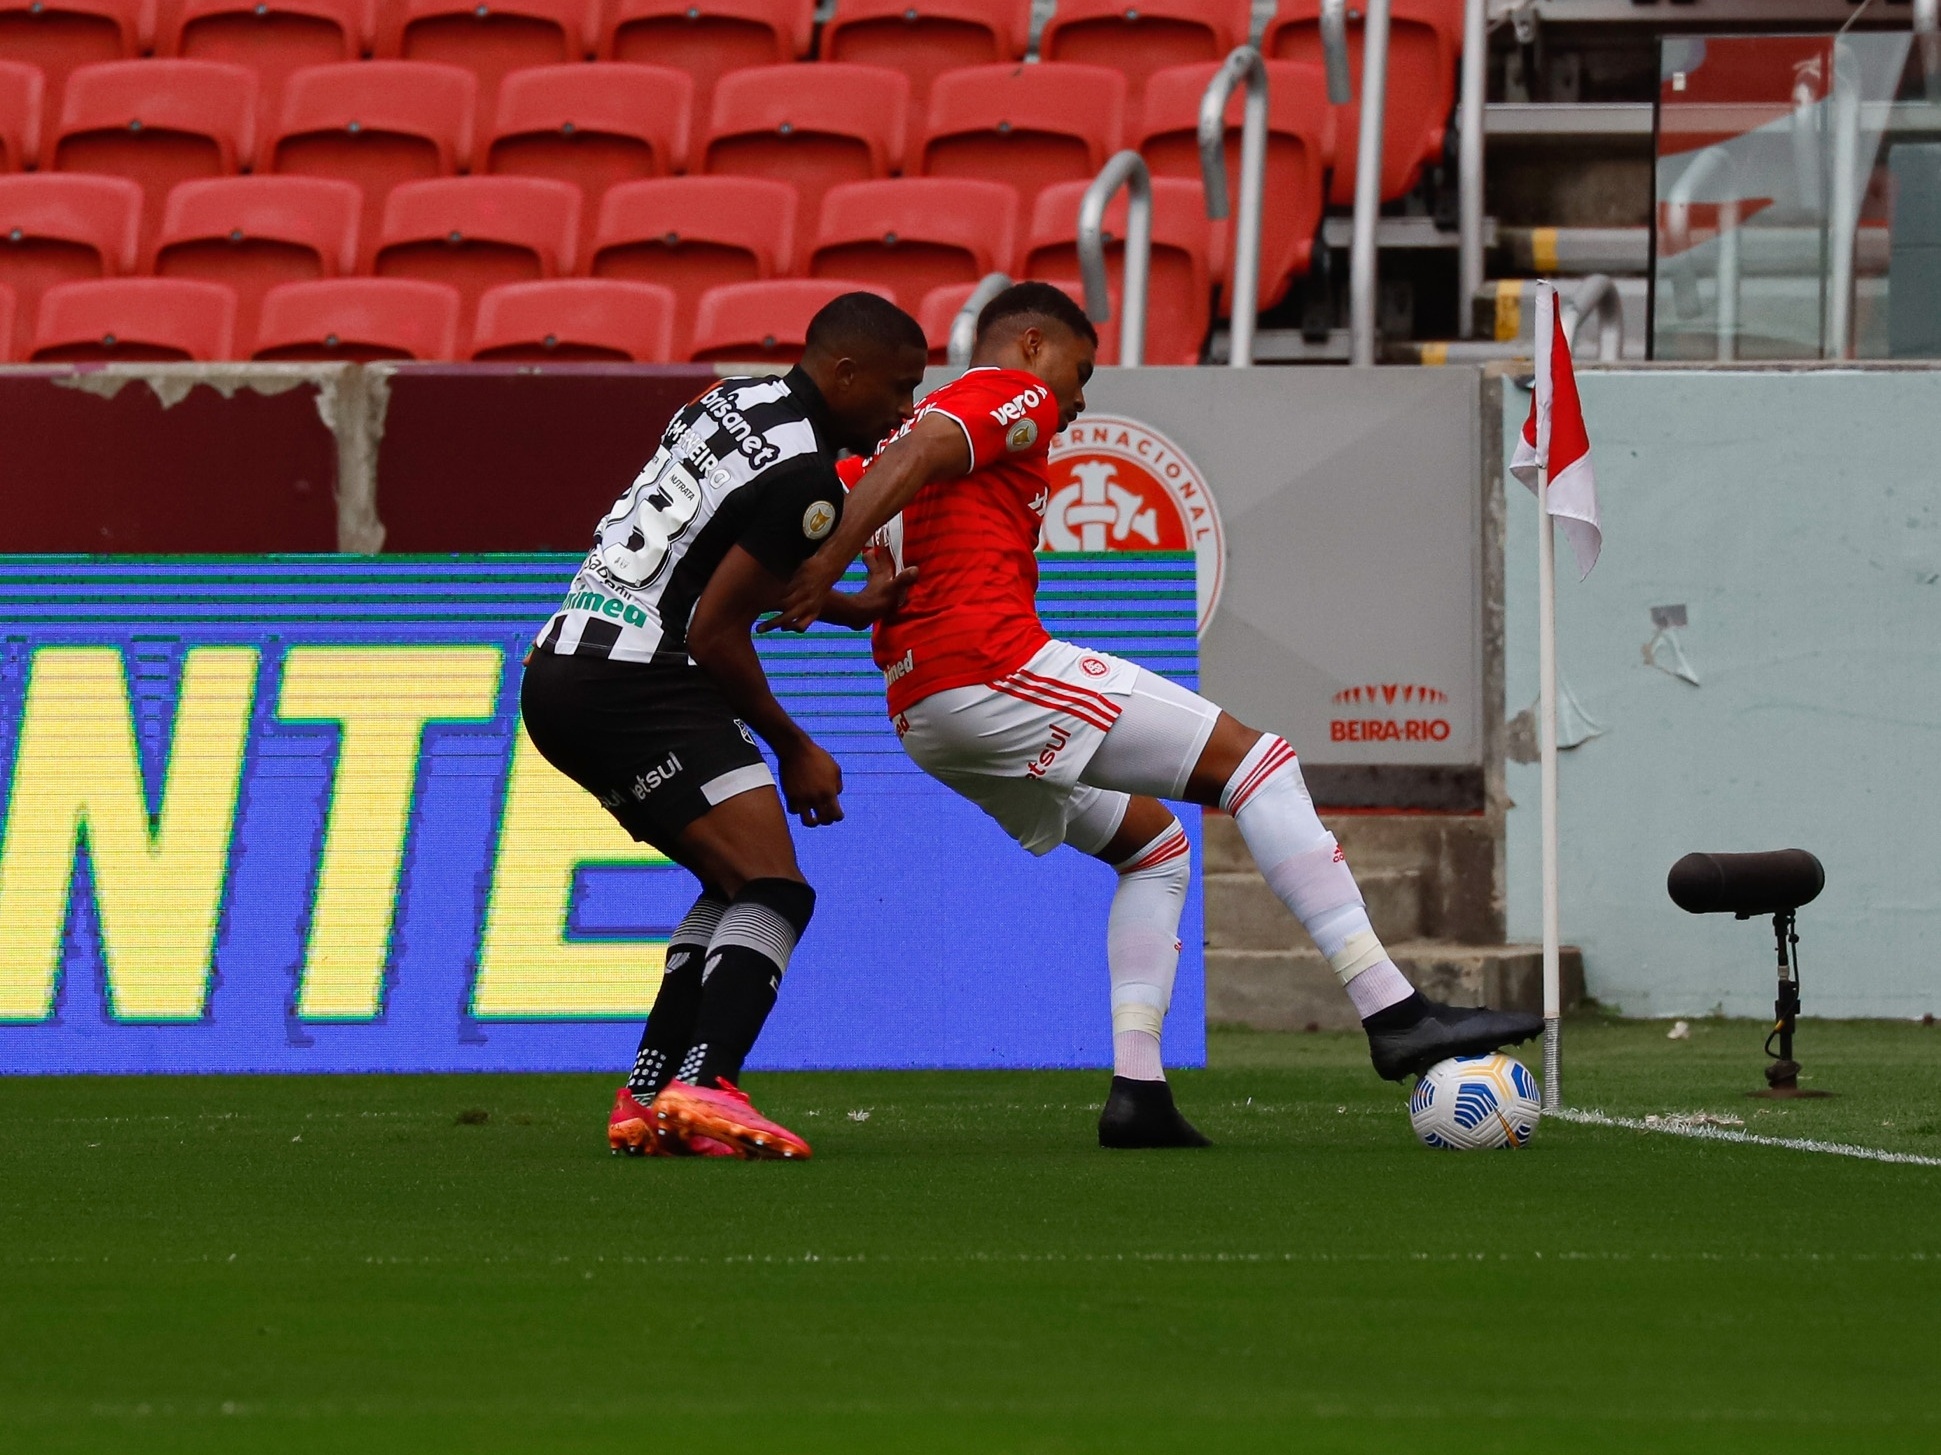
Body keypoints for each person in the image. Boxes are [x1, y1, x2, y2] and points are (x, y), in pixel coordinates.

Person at [774, 282, 1543, 1149]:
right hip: (990, 669)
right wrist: (832, 563)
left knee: (1154, 846)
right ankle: (1392, 1009)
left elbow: (852, 497)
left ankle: (1137, 1092)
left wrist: (830, 583)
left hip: (922, 713)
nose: (1078, 396)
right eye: (1079, 368)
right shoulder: (1000, 391)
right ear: (1030, 344)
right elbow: (920, 452)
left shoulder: (866, 451)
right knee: (1261, 765)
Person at [522, 292, 928, 1160]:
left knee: (734, 880)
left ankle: (647, 1094)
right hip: (638, 677)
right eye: (897, 389)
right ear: (843, 371)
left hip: (561, 668)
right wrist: (796, 746)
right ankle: (707, 1083)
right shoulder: (812, 478)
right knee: (777, 889)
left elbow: (706, 555)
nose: (903, 412)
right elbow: (713, 630)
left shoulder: (729, 399)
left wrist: (852, 608)